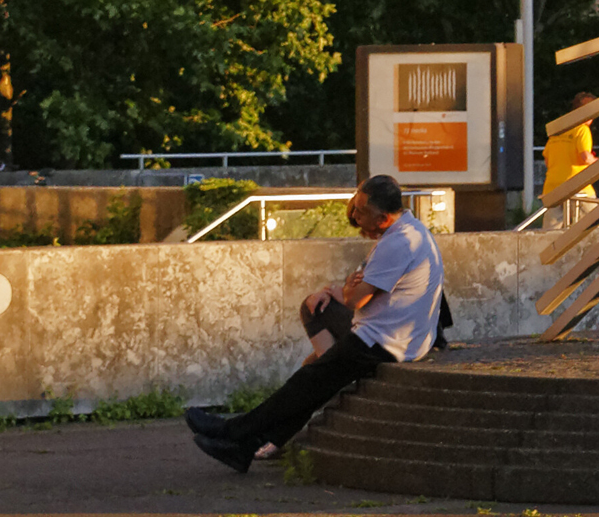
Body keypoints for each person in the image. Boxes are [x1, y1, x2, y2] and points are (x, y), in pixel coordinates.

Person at [189, 175, 442, 472]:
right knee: (312, 378)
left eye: (360, 211)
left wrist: (348, 287)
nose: (354, 215)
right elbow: (358, 293)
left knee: (307, 382)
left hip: (384, 342)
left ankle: (232, 432)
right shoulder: (411, 230)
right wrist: (347, 289)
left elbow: (354, 299)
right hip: (391, 332)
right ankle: (243, 447)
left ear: (383, 218)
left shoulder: (398, 243)